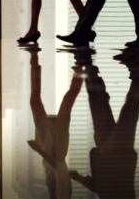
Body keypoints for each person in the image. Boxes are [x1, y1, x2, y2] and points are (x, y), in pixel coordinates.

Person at [69, 50, 139, 197]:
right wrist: (78, 178)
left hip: (105, 153)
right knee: (128, 110)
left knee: (100, 106)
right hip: (119, 154)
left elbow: (97, 187)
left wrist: (79, 178)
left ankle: (89, 68)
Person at [27, 49, 83, 198]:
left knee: (65, 100)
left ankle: (79, 66)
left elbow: (60, 172)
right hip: (55, 152)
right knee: (40, 101)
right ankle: (34, 58)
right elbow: (57, 167)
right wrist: (38, 149)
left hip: (52, 149)